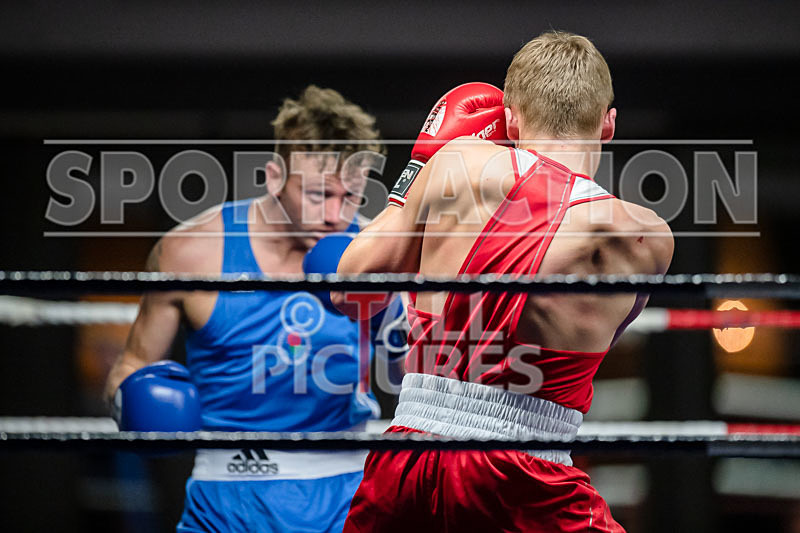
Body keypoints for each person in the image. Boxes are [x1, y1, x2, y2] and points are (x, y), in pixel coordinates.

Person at [335, 32, 674, 532]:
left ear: (510, 117)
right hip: (524, 475)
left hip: (407, 462)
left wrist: (415, 175)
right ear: (608, 124)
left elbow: (350, 294)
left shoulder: (456, 164)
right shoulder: (644, 236)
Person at [104, 85, 393, 532]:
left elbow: (427, 362)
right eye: (319, 194)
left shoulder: (374, 251)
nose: (338, 215)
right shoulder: (191, 252)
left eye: (351, 196)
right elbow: (133, 364)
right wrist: (133, 402)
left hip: (345, 491)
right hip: (224, 500)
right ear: (274, 176)